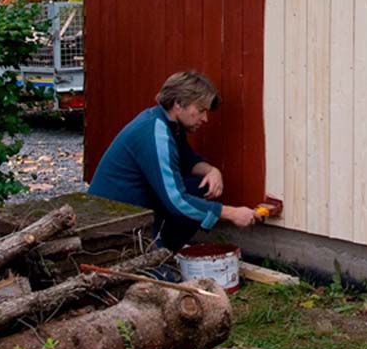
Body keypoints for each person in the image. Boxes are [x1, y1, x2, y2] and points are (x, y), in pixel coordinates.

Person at [88, 70, 259, 253]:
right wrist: (232, 214)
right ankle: (155, 254)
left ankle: (164, 251)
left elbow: (188, 160)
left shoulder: (167, 123)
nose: (205, 118)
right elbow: (177, 200)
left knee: (199, 187)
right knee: (162, 276)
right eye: (200, 110)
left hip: (137, 209)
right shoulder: (155, 133)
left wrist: (212, 171)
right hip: (110, 222)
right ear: (178, 104)